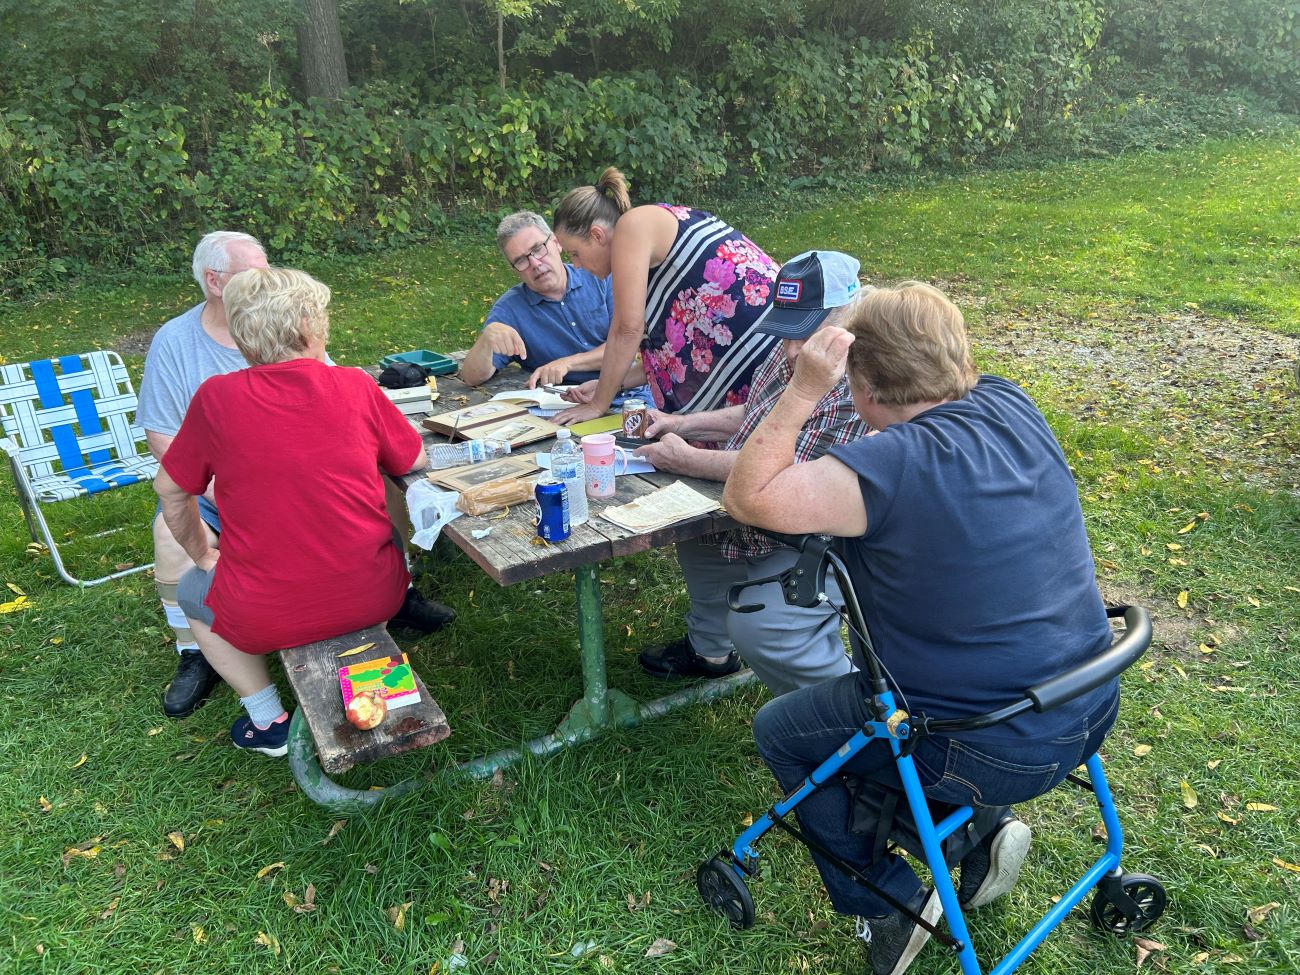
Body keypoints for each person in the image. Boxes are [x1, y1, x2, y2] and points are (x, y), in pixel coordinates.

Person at [723, 283, 1119, 975]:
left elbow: (747, 494)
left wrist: (805, 384)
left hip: (988, 741)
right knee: (910, 705)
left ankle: (890, 905)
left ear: (866, 381)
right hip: (1088, 703)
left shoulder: (888, 467)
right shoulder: (1009, 401)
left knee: (784, 731)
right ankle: (978, 828)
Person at [139, 232, 453, 721]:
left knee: (192, 590)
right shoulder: (353, 384)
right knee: (382, 512)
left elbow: (169, 490)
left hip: (265, 615)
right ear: (311, 330)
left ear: (244, 338)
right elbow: (411, 460)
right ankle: (379, 670)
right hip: (374, 594)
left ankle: (268, 718)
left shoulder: (217, 399)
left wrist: (204, 555)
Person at [632, 251, 869, 695]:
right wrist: (682, 422)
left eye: (803, 333)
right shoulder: (799, 351)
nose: (792, 348)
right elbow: (759, 413)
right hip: (756, 502)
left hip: (812, 530)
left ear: (846, 314)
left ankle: (845, 704)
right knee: (698, 535)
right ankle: (709, 652)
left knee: (767, 625)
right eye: (785, 331)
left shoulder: (850, 378)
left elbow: (779, 469)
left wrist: (685, 460)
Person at [551, 167, 780, 425]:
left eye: (574, 253)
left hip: (770, 351)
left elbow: (626, 331)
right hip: (768, 351)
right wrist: (609, 385)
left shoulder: (632, 227)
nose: (577, 265)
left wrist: (597, 404)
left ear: (597, 235)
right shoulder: (644, 241)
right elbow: (664, 354)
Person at [461, 211, 624, 389]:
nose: (535, 264)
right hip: (559, 404)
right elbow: (472, 377)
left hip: (625, 390)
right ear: (514, 270)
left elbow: (625, 349)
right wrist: (487, 338)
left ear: (556, 243)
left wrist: (567, 363)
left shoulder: (600, 276)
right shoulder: (511, 310)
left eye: (538, 249)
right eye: (521, 260)